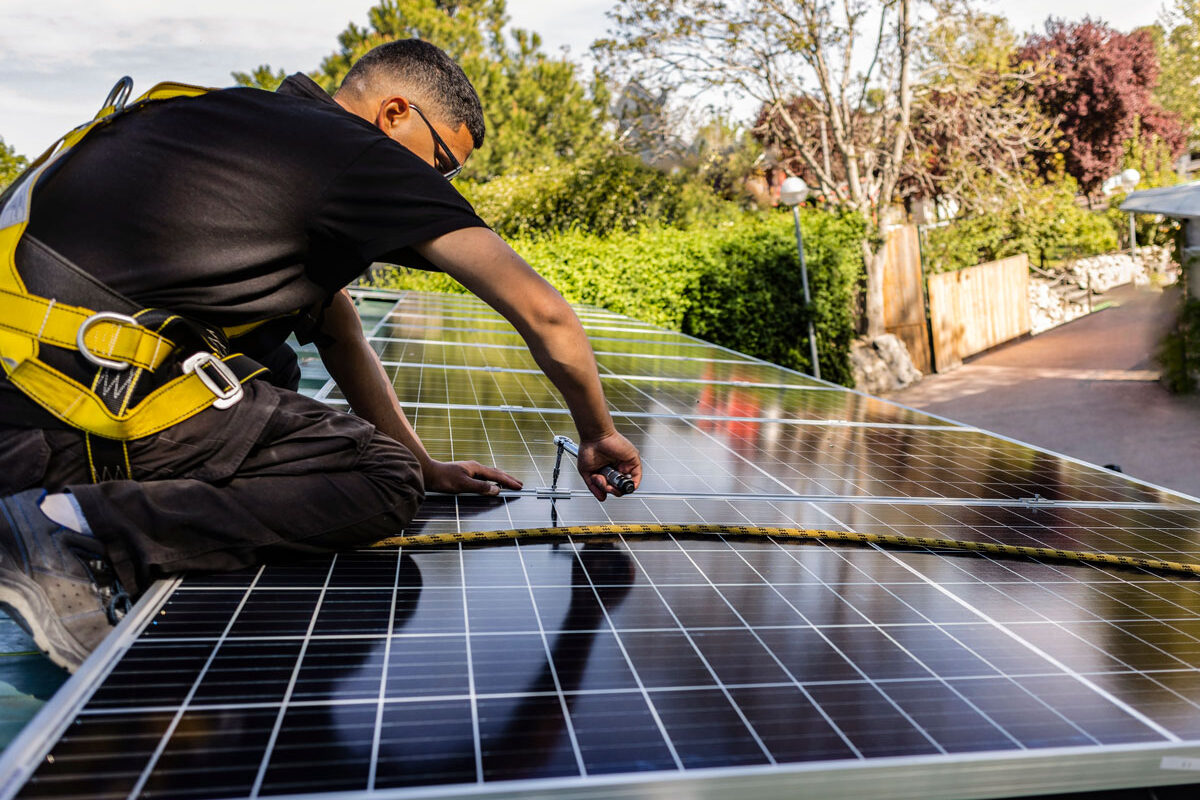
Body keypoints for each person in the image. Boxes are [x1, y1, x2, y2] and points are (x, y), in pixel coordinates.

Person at [0, 39, 642, 673]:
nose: (438, 183)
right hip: (60, 416)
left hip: (29, 388)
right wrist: (599, 433)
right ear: (395, 114)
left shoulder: (230, 126)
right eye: (442, 162)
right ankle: (73, 532)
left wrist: (428, 466)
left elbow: (339, 330)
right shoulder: (356, 153)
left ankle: (83, 511)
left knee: (276, 371)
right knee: (381, 480)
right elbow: (544, 311)